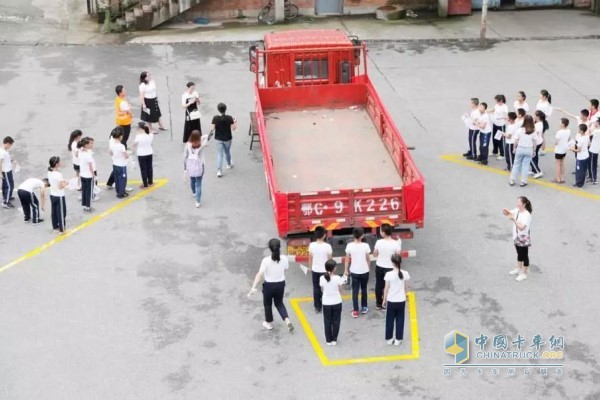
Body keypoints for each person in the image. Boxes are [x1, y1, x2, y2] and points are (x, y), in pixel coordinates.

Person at [248, 238, 294, 332]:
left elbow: (259, 275)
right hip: (280, 285)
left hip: (269, 286)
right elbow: (285, 270)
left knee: (268, 304)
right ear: (280, 247)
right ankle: (287, 320)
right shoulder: (284, 258)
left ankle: (268, 323)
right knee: (279, 303)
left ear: (270, 248)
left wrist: (253, 287)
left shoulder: (266, 261)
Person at [344, 227, 372, 318]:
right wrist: (368, 268)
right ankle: (364, 307)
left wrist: (346, 270)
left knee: (355, 291)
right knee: (364, 289)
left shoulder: (349, 246)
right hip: (364, 271)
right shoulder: (366, 246)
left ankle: (355, 311)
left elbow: (347, 259)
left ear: (353, 236)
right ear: (362, 236)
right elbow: (368, 259)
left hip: (354, 271)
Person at [503, 196, 533, 282]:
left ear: (523, 204)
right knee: (519, 253)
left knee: (524, 255)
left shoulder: (527, 215)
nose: (517, 203)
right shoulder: (516, 210)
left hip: (523, 237)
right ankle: (519, 268)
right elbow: (508, 213)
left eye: (519, 202)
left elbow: (521, 228)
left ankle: (524, 273)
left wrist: (513, 220)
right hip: (516, 236)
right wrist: (505, 211)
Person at [383, 254, 410, 345]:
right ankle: (398, 339)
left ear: (392, 262)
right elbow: (406, 287)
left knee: (389, 320)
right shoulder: (405, 273)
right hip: (401, 300)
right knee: (400, 319)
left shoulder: (388, 274)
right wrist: (406, 296)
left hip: (391, 300)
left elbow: (386, 288)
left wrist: (384, 299)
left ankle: (390, 339)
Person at [373, 223, 401, 310]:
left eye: (380, 230)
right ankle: (388, 303)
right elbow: (398, 256)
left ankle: (379, 303)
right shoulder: (396, 243)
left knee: (379, 285)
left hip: (380, 266)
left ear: (384, 233)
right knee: (389, 286)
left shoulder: (379, 242)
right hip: (390, 268)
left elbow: (375, 254)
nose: (380, 232)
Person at [308, 226, 333, 313]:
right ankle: (327, 303)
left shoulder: (311, 245)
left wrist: (310, 268)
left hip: (315, 270)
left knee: (316, 288)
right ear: (324, 235)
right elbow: (330, 259)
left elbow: (310, 258)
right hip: (325, 271)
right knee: (326, 287)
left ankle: (317, 306)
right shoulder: (327, 246)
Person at [320, 260, 344, 346]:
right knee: (336, 321)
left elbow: (322, 290)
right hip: (337, 301)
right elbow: (341, 290)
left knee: (327, 321)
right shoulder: (338, 278)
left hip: (326, 302)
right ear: (334, 269)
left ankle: (328, 340)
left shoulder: (322, 278)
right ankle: (334, 339)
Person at [183, 130, 210, 208]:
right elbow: (207, 137)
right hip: (200, 166)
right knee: (199, 183)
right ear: (199, 137)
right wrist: (201, 137)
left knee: (192, 180)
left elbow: (184, 157)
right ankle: (197, 202)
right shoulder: (201, 144)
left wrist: (185, 169)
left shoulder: (187, 145)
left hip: (190, 166)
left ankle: (194, 192)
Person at [509, 115, 536, 187]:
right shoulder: (533, 130)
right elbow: (534, 142)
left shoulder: (520, 130)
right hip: (529, 149)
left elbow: (516, 140)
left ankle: (512, 180)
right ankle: (523, 181)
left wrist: (514, 148)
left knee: (516, 165)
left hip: (520, 148)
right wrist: (534, 151)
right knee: (525, 166)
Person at [211, 103, 237, 178]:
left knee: (219, 154)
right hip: (228, 138)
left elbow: (212, 128)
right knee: (227, 152)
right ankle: (228, 164)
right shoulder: (229, 118)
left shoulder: (215, 118)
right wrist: (235, 122)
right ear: (225, 109)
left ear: (218, 110)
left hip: (219, 139)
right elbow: (234, 128)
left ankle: (219, 171)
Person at [47, 156, 68, 233]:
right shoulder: (58, 174)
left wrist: (62, 182)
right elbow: (60, 187)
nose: (61, 163)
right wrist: (66, 184)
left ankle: (55, 226)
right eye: (59, 162)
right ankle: (62, 229)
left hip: (52, 194)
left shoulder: (49, 172)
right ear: (56, 164)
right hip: (59, 196)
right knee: (62, 213)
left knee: (54, 212)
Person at [133, 121, 154, 189]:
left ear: (140, 128)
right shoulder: (150, 135)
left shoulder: (138, 136)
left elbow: (134, 144)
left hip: (141, 154)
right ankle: (150, 182)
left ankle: (145, 184)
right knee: (149, 168)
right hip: (149, 152)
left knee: (143, 169)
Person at [569, 124, 590, 188]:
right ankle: (582, 183)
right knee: (584, 170)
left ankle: (579, 184)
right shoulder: (587, 136)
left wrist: (572, 149)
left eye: (579, 129)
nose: (578, 130)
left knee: (579, 171)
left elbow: (579, 150)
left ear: (582, 131)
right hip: (586, 155)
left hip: (581, 157)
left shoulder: (581, 140)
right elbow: (589, 144)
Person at [110, 129, 129, 199]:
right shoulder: (121, 146)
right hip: (121, 164)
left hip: (115, 163)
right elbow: (126, 155)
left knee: (117, 178)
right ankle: (121, 193)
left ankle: (118, 191)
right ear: (120, 136)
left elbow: (110, 153)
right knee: (122, 179)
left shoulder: (112, 144)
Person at [551, 118, 571, 184]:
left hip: (559, 150)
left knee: (558, 164)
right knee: (562, 163)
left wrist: (554, 143)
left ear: (563, 124)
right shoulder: (568, 131)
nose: (559, 124)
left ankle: (558, 178)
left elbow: (556, 142)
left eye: (560, 122)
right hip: (564, 149)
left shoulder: (559, 132)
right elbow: (569, 139)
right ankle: (562, 177)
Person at [78, 137, 95, 213]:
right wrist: (93, 175)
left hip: (82, 175)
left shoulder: (81, 152)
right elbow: (90, 167)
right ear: (86, 145)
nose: (92, 145)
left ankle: (85, 205)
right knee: (89, 192)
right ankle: (88, 207)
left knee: (84, 191)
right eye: (91, 143)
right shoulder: (88, 155)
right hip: (88, 175)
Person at [489, 94, 508, 159]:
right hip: (495, 124)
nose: (496, 102)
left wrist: (499, 118)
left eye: (497, 101)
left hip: (501, 125)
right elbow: (493, 109)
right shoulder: (496, 105)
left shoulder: (504, 107)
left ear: (501, 101)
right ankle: (495, 151)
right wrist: (486, 111)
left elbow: (506, 116)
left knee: (501, 140)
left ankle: (502, 154)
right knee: (494, 138)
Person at [530, 110, 547, 179]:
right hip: (539, 142)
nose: (534, 116)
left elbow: (534, 134)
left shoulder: (538, 125)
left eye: (535, 115)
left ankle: (538, 171)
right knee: (535, 155)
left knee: (530, 157)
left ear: (538, 117)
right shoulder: (539, 123)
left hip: (536, 143)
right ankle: (534, 170)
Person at [1, 136, 16, 209]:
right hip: (6, 171)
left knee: (6, 185)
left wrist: (11, 161)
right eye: (10, 145)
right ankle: (5, 202)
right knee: (10, 186)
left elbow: (5, 160)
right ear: (7, 143)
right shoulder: (2, 152)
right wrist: (0, 173)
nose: (10, 147)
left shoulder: (5, 150)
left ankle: (7, 197)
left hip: (8, 170)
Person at [536, 90, 553, 155]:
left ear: (545, 97)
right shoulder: (540, 101)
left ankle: (543, 150)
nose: (539, 96)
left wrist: (540, 117)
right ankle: (538, 147)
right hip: (537, 119)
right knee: (537, 134)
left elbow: (547, 114)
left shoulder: (547, 104)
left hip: (543, 121)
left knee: (542, 135)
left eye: (541, 95)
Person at [588, 118, 599, 185]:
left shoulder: (596, 131)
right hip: (596, 149)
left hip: (593, 149)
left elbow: (588, 135)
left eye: (596, 122)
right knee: (594, 164)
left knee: (593, 164)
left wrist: (589, 128)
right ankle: (594, 178)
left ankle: (594, 178)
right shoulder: (597, 130)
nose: (595, 123)